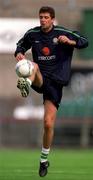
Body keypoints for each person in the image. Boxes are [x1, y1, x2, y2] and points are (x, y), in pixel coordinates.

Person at [14, 6, 88, 177]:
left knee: (48, 124)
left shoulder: (62, 32)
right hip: (39, 77)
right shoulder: (33, 34)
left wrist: (69, 42)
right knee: (32, 66)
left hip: (55, 84)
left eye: (46, 17)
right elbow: (20, 44)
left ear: (52, 19)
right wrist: (19, 53)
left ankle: (43, 159)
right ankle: (25, 82)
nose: (43, 20)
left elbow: (85, 41)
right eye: (41, 17)